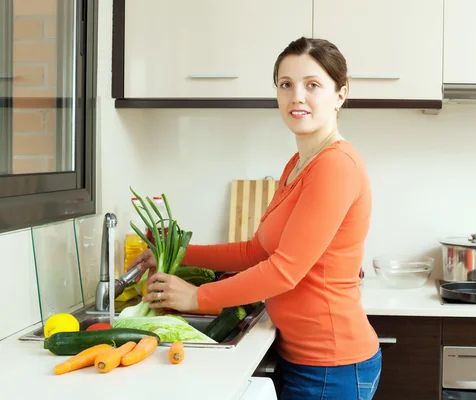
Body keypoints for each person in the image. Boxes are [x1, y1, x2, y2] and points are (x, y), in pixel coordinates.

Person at [130, 36, 382, 400]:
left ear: (340, 94)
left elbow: (284, 270)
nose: (297, 96)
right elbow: (255, 251)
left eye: (313, 85)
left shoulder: (335, 167)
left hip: (333, 366)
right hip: (306, 360)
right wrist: (177, 254)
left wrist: (198, 297)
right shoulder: (299, 165)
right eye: (286, 84)